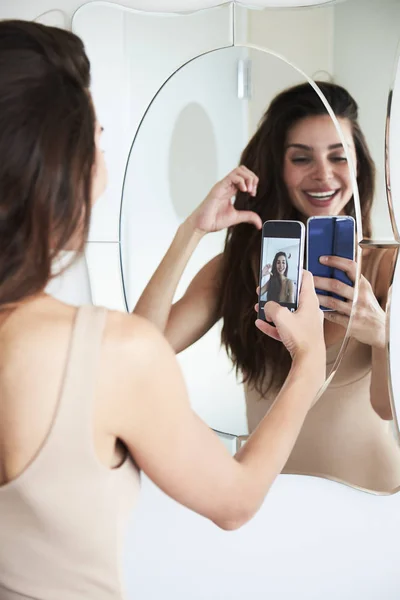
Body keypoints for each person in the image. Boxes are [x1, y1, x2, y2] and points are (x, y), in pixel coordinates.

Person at [0, 20, 325, 600]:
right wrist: (308, 363)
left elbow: (139, 346)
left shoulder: (107, 352)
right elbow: (234, 500)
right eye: (96, 133)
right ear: (59, 164)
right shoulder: (106, 353)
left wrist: (188, 233)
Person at [135, 81, 400, 493]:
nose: (324, 174)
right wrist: (192, 231)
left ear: (359, 165)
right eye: (301, 158)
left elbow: (387, 408)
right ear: (279, 166)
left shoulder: (387, 268)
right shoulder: (236, 271)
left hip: (370, 504)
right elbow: (142, 346)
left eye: (339, 156)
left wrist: (384, 337)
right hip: (268, 512)